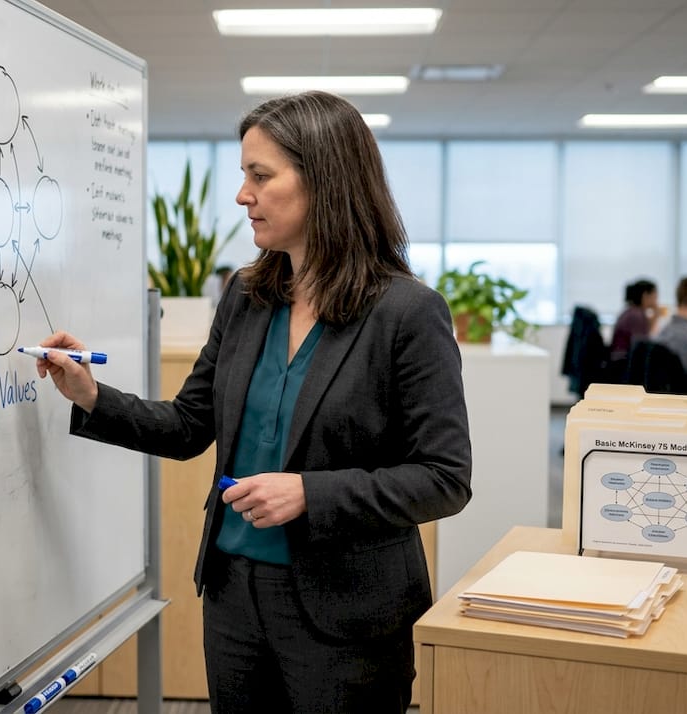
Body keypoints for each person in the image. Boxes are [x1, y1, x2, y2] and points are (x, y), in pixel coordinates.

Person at [34, 91, 472, 713]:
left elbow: (444, 478)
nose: (243, 195)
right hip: (234, 597)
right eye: (245, 175)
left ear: (324, 181)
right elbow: (188, 426)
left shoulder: (407, 313)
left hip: (347, 613)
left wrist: (310, 494)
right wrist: (91, 395)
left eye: (260, 176)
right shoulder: (246, 296)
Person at [608, 279, 660, 362]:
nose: (656, 301)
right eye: (655, 296)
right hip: (624, 363)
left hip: (622, 361)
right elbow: (643, 347)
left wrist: (655, 318)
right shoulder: (636, 315)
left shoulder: (631, 312)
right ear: (645, 295)